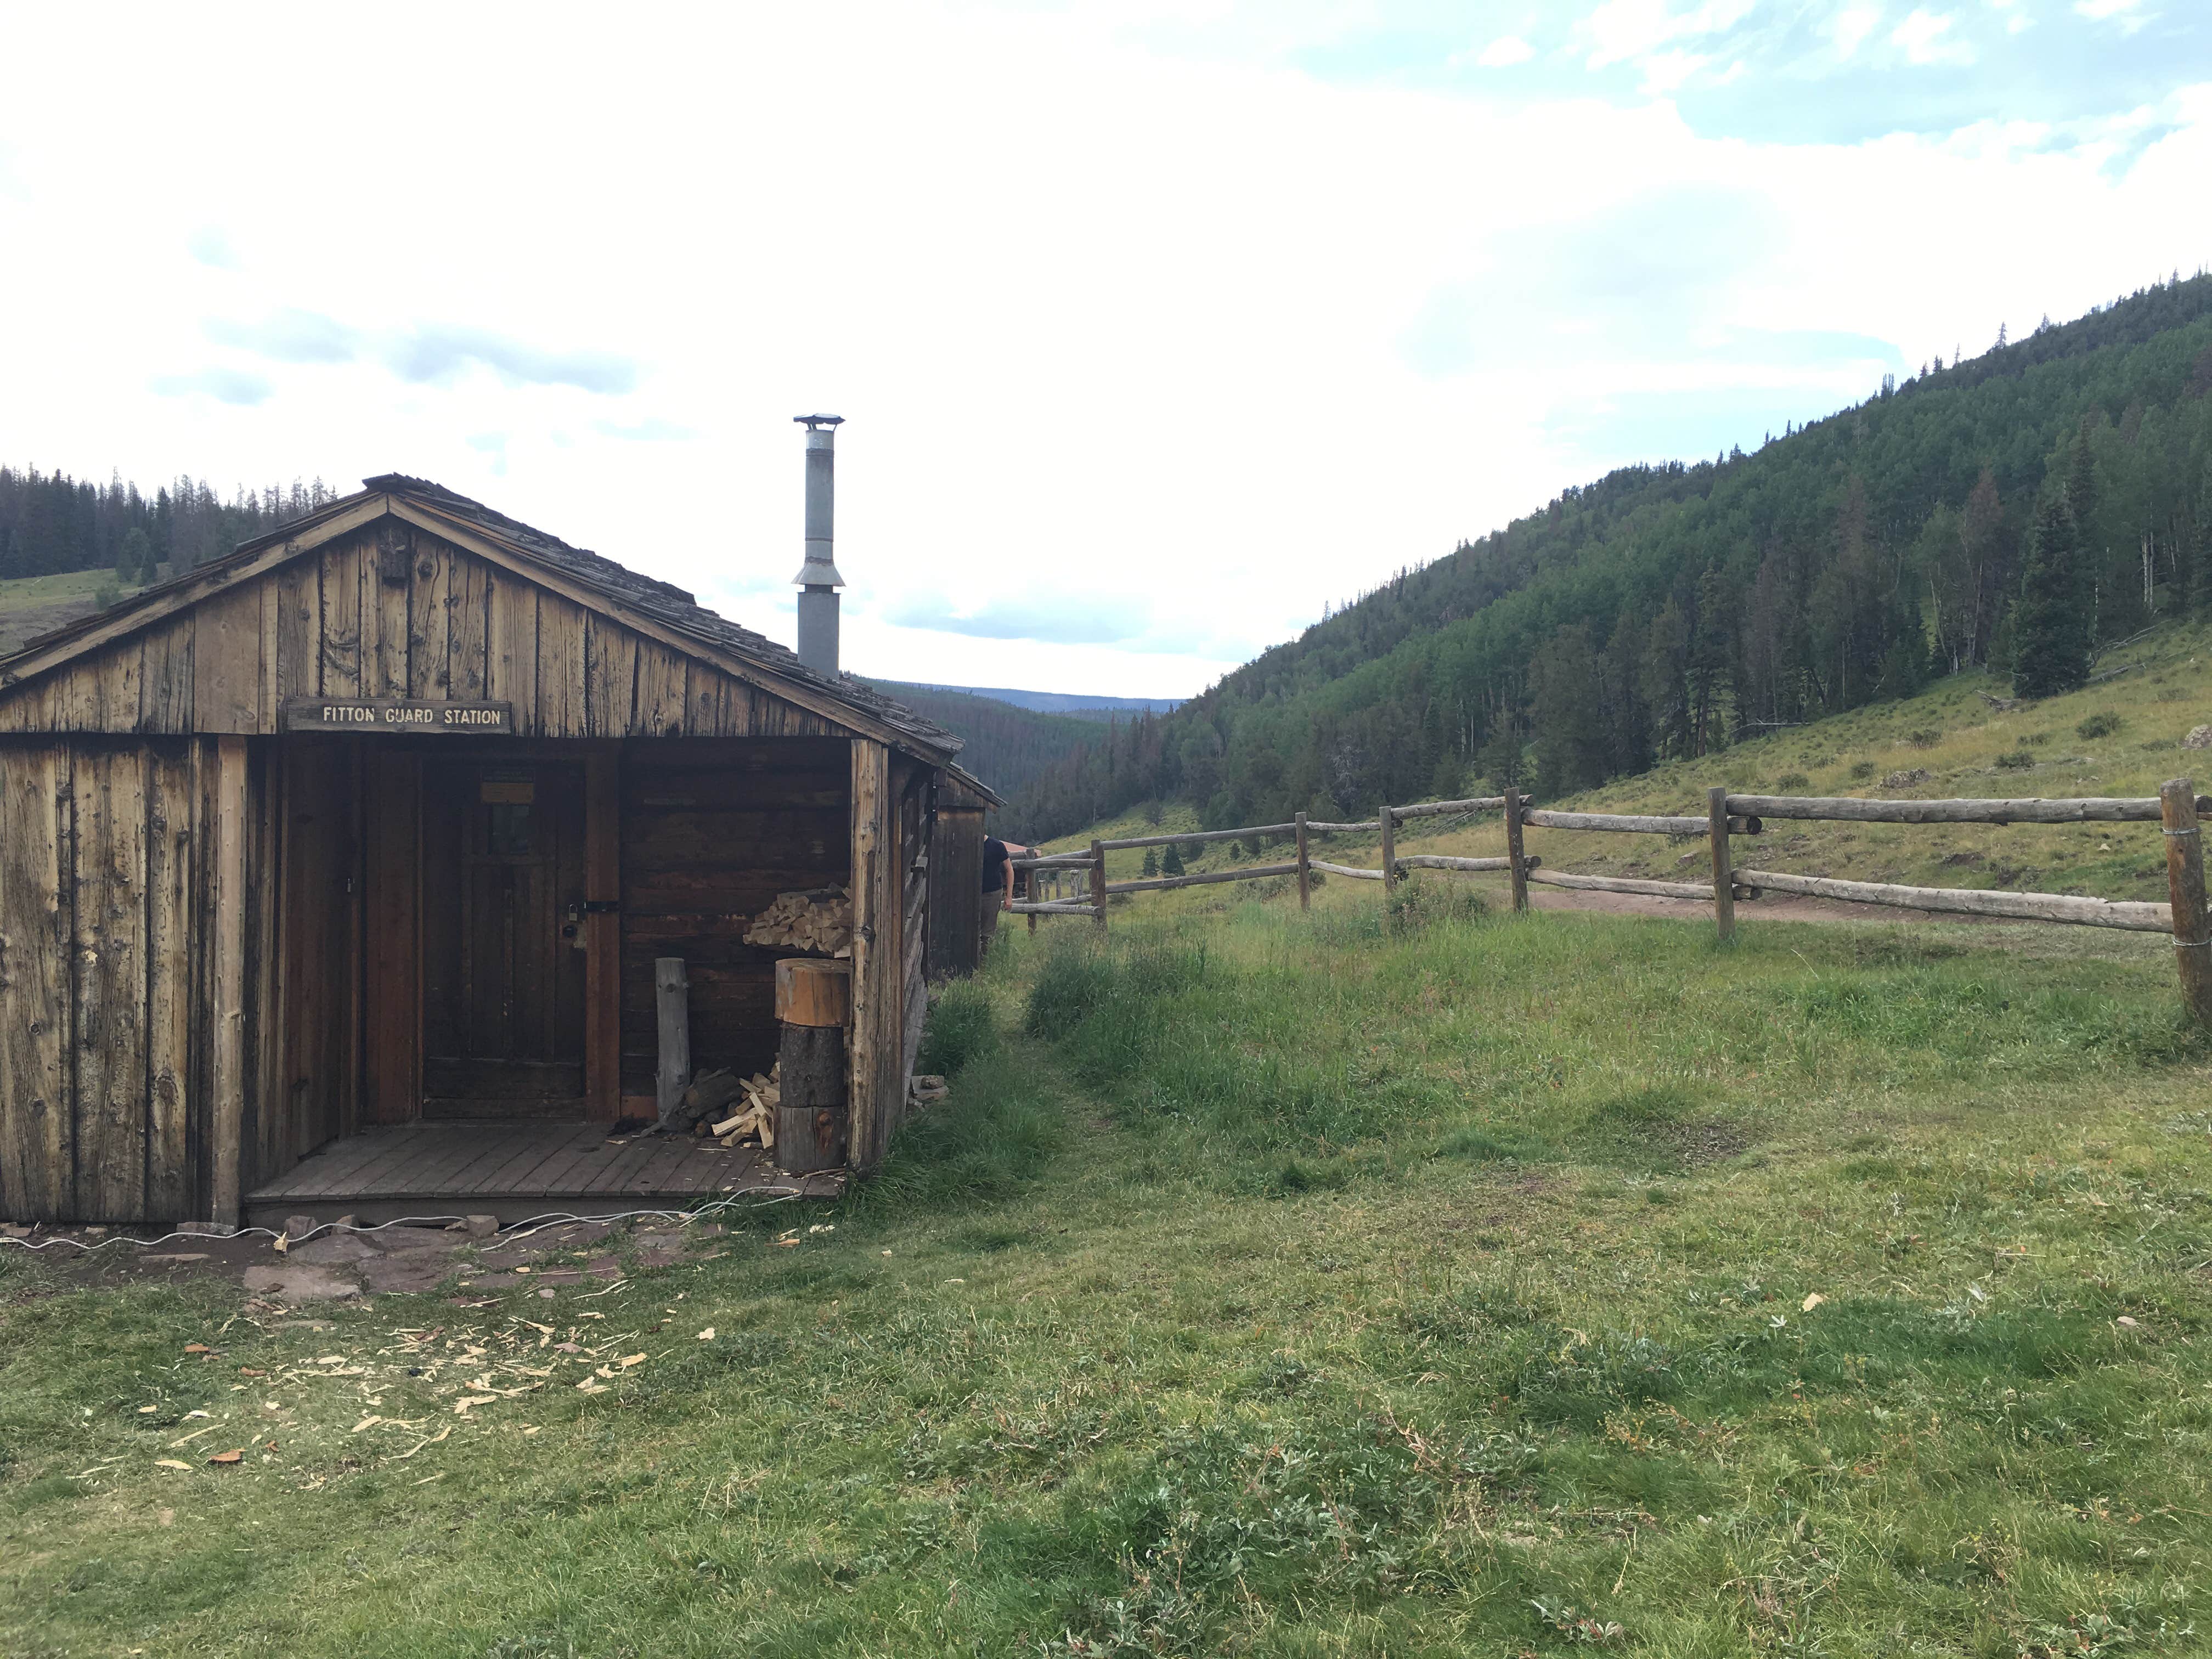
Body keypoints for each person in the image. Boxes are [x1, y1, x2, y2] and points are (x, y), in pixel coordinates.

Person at [980, 833, 1032, 958]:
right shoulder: (969, 845)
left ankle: (985, 961)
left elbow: (1009, 870)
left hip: (992, 893)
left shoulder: (997, 846)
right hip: (971, 892)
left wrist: (1009, 897)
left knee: (988, 931)